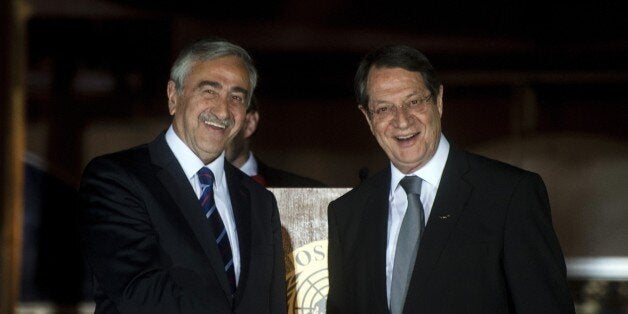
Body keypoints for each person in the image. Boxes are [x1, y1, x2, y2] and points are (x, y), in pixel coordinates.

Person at [326, 45, 575, 313]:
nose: (402, 121)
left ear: (439, 100)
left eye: (414, 102)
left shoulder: (509, 195)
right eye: (384, 109)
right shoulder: (348, 214)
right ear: (367, 117)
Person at [79, 38, 286, 313]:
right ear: (173, 96)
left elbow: (272, 305)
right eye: (209, 91)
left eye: (237, 97)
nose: (223, 110)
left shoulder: (261, 201)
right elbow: (141, 293)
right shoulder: (116, 180)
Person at [225, 95, 326, 187]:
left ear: (249, 124)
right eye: (208, 124)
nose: (212, 137)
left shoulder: (309, 192)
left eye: (224, 124)